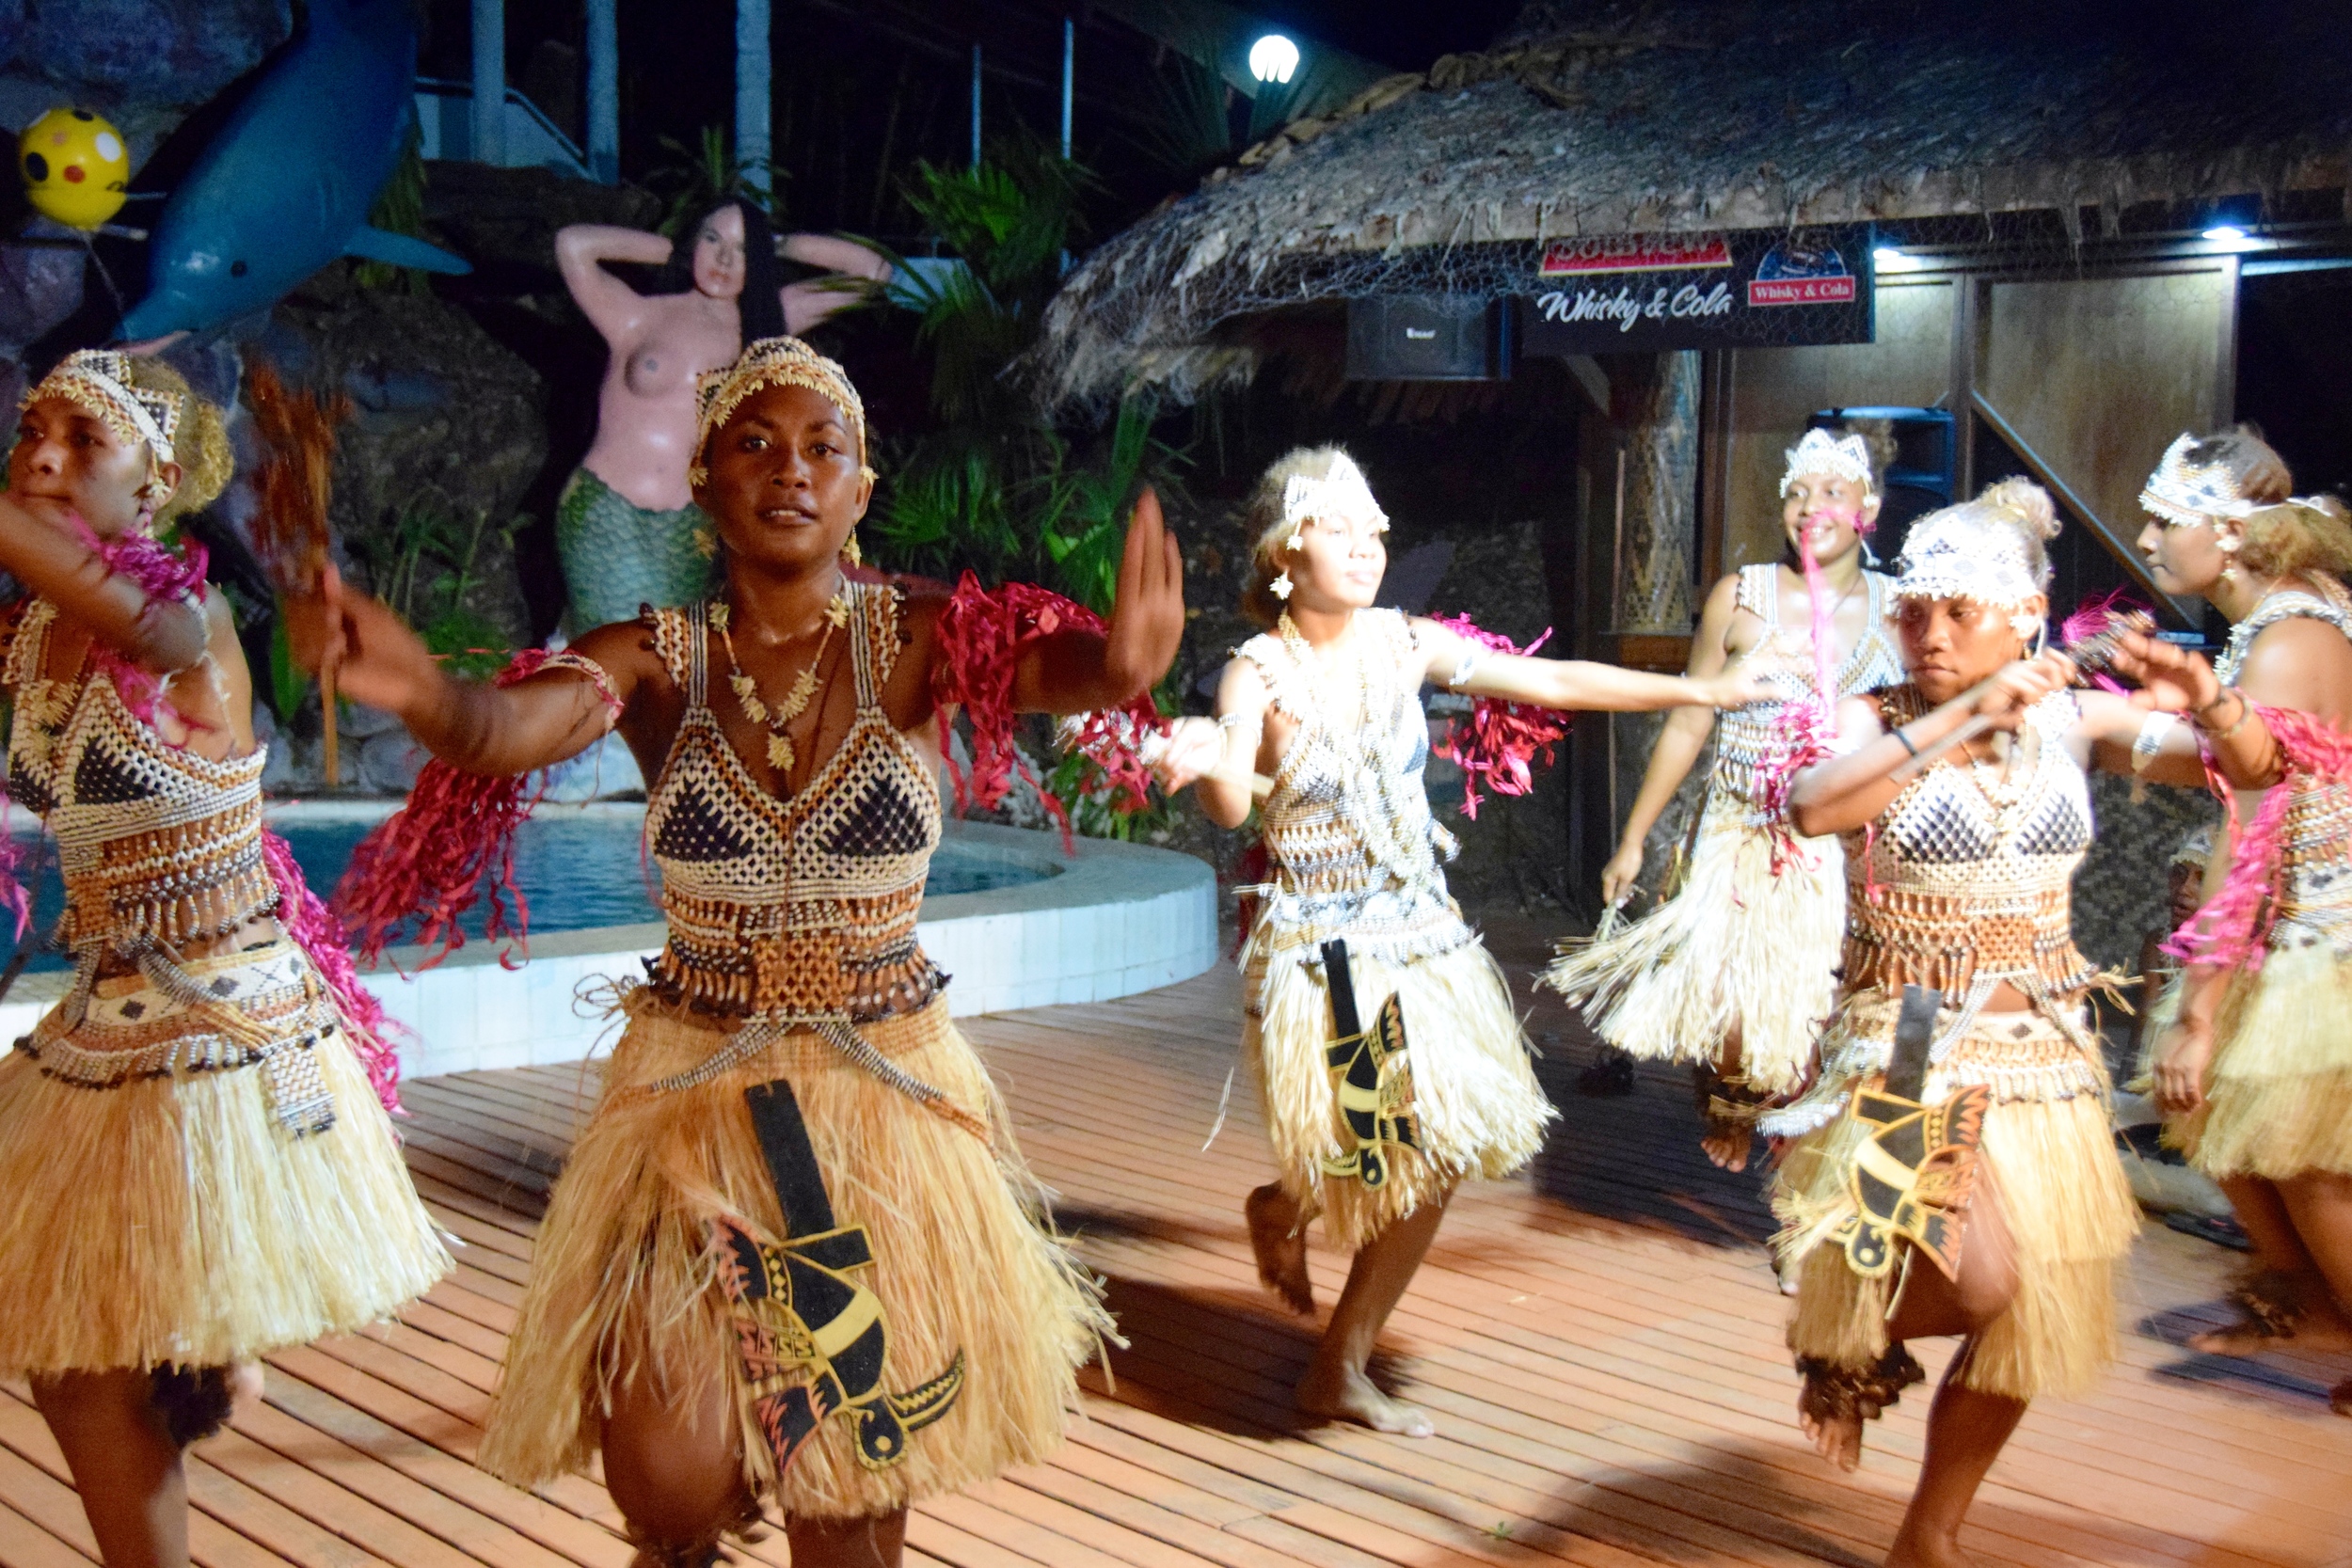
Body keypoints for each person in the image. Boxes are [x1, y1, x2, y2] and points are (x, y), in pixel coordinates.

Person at [292, 336, 1181, 1567]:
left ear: (863, 491)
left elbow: (1043, 668)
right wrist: (428, 699)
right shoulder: (653, 658)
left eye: (827, 447)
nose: (792, 468)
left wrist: (1121, 664)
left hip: (880, 1092)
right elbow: (509, 725)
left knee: (850, 1496)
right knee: (664, 1479)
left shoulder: (921, 637)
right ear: (702, 479)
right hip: (694, 1088)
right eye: (755, 442)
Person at [1151, 445, 1763, 1437]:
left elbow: (1550, 678)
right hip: (1329, 957)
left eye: (1375, 529)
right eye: (1340, 528)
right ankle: (1293, 1199)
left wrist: (1695, 694)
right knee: (1380, 1151)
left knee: (1427, 1157)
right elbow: (1230, 799)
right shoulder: (1255, 671)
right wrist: (1199, 762)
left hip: (1425, 940)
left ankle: (1338, 1359)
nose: (1367, 546)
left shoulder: (1406, 641)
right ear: (1283, 550)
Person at [0, 350, 451, 1568]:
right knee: (72, 1349)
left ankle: (200, 1357)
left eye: (80, 440)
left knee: (86, 1355)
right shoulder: (36, 629)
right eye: (31, 428)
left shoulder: (182, 621)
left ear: (155, 481)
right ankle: (196, 1366)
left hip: (221, 1029)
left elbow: (124, 613)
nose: (41, 455)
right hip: (106, 1017)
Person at [1764, 479, 2162, 1568]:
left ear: (2027, 614)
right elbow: (1814, 804)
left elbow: (2245, 758)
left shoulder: (2072, 720)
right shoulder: (1878, 717)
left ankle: (1929, 1532)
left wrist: (2208, 700)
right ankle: (1841, 1323)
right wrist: (1962, 715)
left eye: (1958, 613)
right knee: (1981, 1280)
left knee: (2033, 1312)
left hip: (2043, 1055)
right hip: (1907, 1047)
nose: (1927, 635)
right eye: (1911, 612)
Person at [1545, 428, 1903, 1171]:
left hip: (1841, 842)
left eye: (1832, 492)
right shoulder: (1740, 597)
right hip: (1741, 831)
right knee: (1738, 1012)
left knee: (1824, 1013)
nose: (1812, 508)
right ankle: (1737, 1105)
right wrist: (1635, 838)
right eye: (1797, 494)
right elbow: (1690, 716)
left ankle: (1798, 1154)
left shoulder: (1900, 611)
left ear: (1868, 507)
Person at [2126, 428, 2352, 1413]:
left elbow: (2250, 833)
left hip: (2317, 926)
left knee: (2300, 1161)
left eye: (2161, 521)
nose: (2141, 536)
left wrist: (2201, 1006)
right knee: (2228, 1128)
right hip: (2298, 918)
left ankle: (2325, 1306)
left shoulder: (2285, 640)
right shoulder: (2286, 624)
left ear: (2223, 535)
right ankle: (2302, 1298)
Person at [554, 200, 892, 628]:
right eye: (712, 239)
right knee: (612, 650)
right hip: (607, 508)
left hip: (691, 525)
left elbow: (873, 273)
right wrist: (676, 248)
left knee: (671, 659)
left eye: (742, 249)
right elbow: (573, 244)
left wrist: (775, 246)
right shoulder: (637, 316)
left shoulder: (765, 324)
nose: (724, 259)